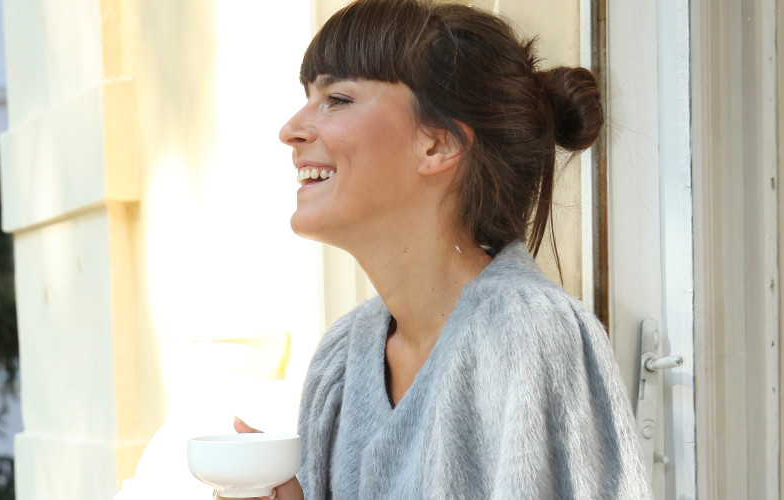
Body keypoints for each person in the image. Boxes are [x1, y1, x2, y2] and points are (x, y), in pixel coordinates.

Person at [222, 0, 650, 498]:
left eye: (336, 98)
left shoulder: (528, 334)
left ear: (438, 145)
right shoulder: (341, 360)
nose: (290, 129)